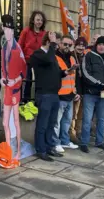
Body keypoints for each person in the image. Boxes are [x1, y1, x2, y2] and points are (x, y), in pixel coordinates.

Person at [30, 31, 69, 161]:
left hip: (54, 95)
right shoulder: (38, 54)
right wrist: (52, 45)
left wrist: (66, 72)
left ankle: (49, 147)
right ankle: (40, 150)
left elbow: (56, 72)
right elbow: (48, 60)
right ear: (48, 42)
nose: (57, 47)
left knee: (51, 124)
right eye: (55, 44)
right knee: (42, 124)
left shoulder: (52, 55)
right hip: (44, 94)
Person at [80, 36, 104, 153]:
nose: (101, 46)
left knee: (102, 119)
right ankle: (84, 143)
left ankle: (99, 141)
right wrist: (98, 84)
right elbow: (86, 73)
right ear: (96, 45)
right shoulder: (89, 55)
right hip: (90, 93)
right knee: (87, 119)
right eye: (99, 44)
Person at [0, 15, 27, 157]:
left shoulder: (17, 49)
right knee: (5, 123)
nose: (8, 31)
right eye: (6, 28)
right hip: (7, 89)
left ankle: (17, 151)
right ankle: (9, 150)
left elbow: (24, 71)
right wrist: (2, 79)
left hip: (15, 89)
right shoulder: (3, 48)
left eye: (11, 29)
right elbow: (3, 69)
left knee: (16, 121)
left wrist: (15, 79)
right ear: (3, 29)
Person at [52, 34, 80, 153]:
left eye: (70, 44)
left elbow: (75, 78)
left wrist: (75, 91)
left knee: (67, 121)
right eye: (65, 44)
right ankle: (55, 143)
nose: (67, 46)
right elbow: (56, 74)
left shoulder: (72, 58)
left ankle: (64, 140)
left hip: (70, 94)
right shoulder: (54, 57)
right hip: (59, 94)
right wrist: (67, 71)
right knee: (56, 122)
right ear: (60, 44)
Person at [18, 11, 47, 109]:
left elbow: (46, 48)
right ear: (33, 20)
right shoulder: (26, 31)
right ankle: (25, 101)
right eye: (38, 19)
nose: (39, 22)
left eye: (41, 20)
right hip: (27, 61)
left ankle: (37, 102)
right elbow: (19, 46)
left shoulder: (44, 33)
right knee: (27, 81)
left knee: (39, 82)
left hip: (39, 62)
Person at [70, 37, 88, 143]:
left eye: (83, 46)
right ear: (75, 46)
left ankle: (78, 131)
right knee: (73, 114)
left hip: (84, 90)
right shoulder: (71, 56)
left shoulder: (86, 57)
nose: (81, 47)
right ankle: (72, 134)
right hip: (74, 88)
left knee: (81, 114)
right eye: (79, 45)